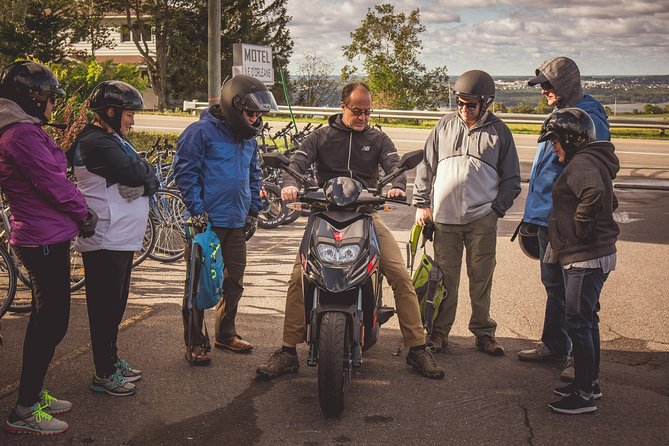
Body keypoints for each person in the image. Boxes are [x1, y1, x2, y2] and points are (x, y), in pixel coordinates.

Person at [256, 81, 444, 380]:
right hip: (323, 214)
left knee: (399, 276)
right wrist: (289, 184)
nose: (363, 117)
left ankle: (417, 348)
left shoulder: (378, 139)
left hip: (365, 215)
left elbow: (395, 165)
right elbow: (297, 165)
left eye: (368, 112)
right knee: (298, 278)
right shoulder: (320, 137)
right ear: (342, 107)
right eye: (357, 111)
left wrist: (396, 187)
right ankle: (288, 351)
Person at [0, 60, 97, 435]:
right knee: (50, 322)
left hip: (47, 234)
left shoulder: (23, 129)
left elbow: (54, 177)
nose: (54, 106)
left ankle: (34, 392)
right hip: (41, 238)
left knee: (48, 320)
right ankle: (24, 410)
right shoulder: (20, 134)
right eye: (50, 99)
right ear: (32, 97)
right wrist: (82, 209)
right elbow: (52, 182)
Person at [413, 70, 521, 356]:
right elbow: (426, 167)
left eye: (470, 104)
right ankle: (439, 334)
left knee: (481, 278)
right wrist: (422, 204)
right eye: (460, 103)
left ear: (486, 103)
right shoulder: (444, 126)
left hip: (481, 220)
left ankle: (484, 334)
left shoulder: (499, 132)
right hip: (445, 219)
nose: (463, 109)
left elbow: (512, 180)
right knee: (444, 281)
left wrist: (495, 211)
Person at [516, 57, 610, 382]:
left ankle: (575, 357)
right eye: (541, 85)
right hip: (546, 218)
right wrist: (533, 216)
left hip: (565, 221)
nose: (543, 91)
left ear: (566, 84)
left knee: (576, 296)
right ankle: (554, 343)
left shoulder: (587, 116)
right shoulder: (560, 113)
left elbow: (591, 174)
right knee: (554, 286)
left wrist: (579, 218)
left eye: (548, 84)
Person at [173, 74, 275, 364]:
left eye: (259, 115)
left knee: (234, 283)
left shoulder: (248, 140)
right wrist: (197, 211)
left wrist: (254, 211)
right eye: (251, 113)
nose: (256, 120)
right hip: (206, 223)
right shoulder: (200, 132)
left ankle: (225, 334)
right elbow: (186, 174)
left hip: (236, 221)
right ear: (234, 105)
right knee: (199, 284)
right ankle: (195, 342)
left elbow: (254, 176)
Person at [71, 80, 158, 396]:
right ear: (110, 111)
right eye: (129, 114)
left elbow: (145, 173)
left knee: (116, 306)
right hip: (105, 239)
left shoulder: (112, 138)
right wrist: (145, 175)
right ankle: (103, 373)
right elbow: (139, 175)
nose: (132, 120)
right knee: (105, 308)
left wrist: (145, 174)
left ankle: (111, 359)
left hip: (121, 238)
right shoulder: (95, 142)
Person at [537, 108, 619, 414]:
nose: (553, 148)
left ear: (571, 139)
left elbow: (595, 192)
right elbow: (610, 198)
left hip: (585, 258)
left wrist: (582, 223)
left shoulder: (581, 162)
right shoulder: (590, 159)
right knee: (587, 320)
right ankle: (590, 383)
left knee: (578, 322)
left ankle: (583, 395)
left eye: (555, 142)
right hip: (592, 254)